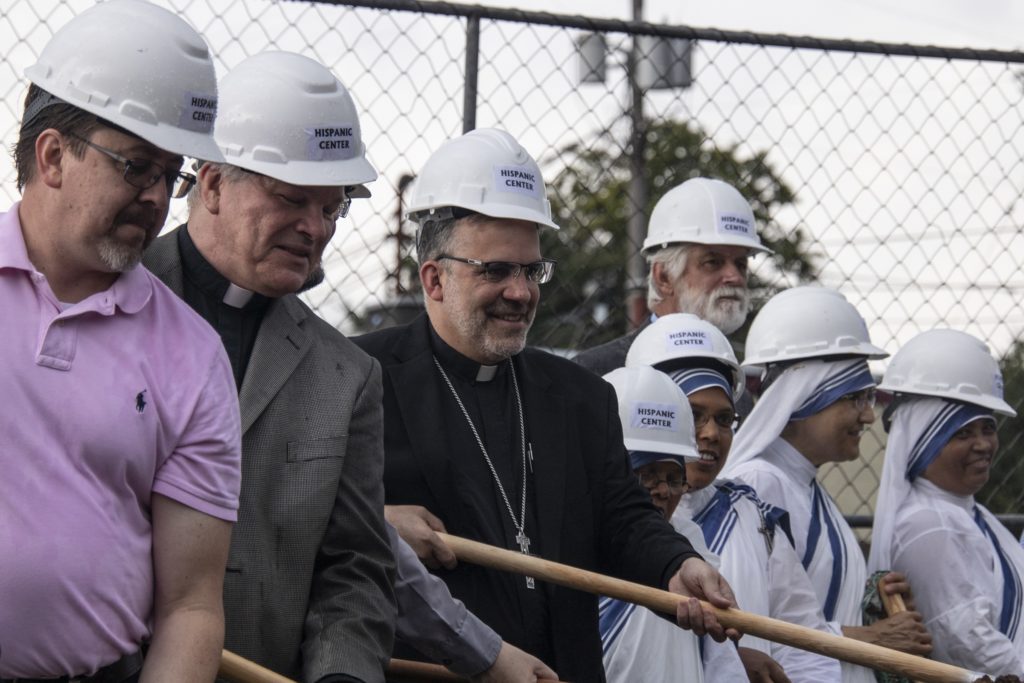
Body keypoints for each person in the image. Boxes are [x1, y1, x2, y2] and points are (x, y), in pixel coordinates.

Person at [144, 51, 554, 683]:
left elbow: (356, 571)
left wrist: (343, 675)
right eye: (292, 200)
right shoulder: (107, 301)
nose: (315, 228)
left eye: (334, 208)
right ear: (214, 183)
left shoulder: (345, 375)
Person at [354, 128, 739, 682]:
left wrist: (675, 564)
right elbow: (310, 517)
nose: (521, 291)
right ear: (434, 279)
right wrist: (376, 522)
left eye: (531, 270)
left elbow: (622, 517)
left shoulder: (581, 395)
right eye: (496, 270)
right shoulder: (361, 380)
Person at [0, 1, 241, 680]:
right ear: (52, 155)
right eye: (137, 166)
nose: (158, 196)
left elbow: (191, 606)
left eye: (172, 174)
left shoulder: (191, 358)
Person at [721, 287, 933, 683]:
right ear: (802, 399)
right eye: (854, 398)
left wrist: (871, 596)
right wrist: (872, 640)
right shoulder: (759, 482)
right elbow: (750, 629)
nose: (869, 416)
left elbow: (812, 609)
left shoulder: (802, 484)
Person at [626, 313, 841, 682]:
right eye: (693, 415)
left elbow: (804, 638)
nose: (712, 433)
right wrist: (726, 658)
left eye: (724, 419)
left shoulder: (751, 514)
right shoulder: (601, 522)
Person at [869, 329, 1023, 676]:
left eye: (988, 428)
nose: (983, 444)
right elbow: (966, 642)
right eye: (962, 433)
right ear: (924, 442)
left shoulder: (966, 512)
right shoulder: (928, 523)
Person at [599, 365, 748, 683]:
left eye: (673, 478)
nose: (664, 490)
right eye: (646, 475)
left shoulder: (690, 549)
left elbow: (721, 669)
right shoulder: (560, 543)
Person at [573, 177, 772, 379]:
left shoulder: (737, 384)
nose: (735, 277)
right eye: (712, 262)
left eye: (741, 264)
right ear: (664, 278)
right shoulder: (595, 375)